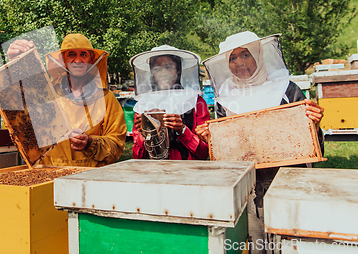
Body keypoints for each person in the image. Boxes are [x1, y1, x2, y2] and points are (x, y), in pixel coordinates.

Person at [197, 31, 324, 254]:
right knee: (258, 245)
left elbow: (311, 142)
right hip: (249, 189)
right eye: (232, 58)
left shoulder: (286, 89)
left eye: (245, 55)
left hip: (288, 182)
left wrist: (313, 123)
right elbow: (226, 149)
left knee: (289, 244)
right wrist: (211, 137)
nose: (239, 63)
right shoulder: (225, 97)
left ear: (258, 55)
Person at [7, 33, 126, 167]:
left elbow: (116, 144)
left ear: (91, 59)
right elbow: (18, 116)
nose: (78, 60)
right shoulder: (45, 94)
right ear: (62, 59)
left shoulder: (106, 98)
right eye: (71, 54)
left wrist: (90, 143)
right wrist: (16, 63)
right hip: (49, 175)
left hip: (89, 178)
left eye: (83, 54)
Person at [129, 45, 209, 160]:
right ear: (152, 73)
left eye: (169, 67)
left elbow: (205, 152)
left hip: (188, 172)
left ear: (178, 70)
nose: (163, 73)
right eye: (157, 68)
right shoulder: (144, 105)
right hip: (153, 173)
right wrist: (144, 134)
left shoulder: (196, 102)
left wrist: (182, 130)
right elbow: (137, 156)